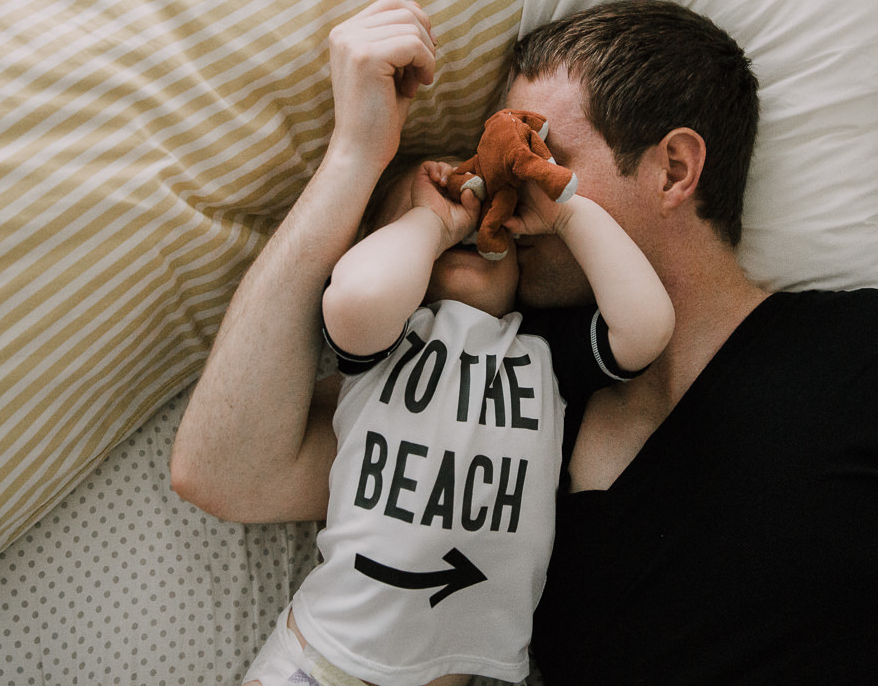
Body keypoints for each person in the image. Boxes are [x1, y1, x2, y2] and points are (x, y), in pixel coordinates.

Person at [172, 0, 878, 685]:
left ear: (674, 168)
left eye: (539, 156)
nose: (505, 203)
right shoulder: (515, 393)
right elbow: (227, 470)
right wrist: (353, 159)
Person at [241, 147, 671, 686]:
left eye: (492, 212)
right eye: (441, 208)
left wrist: (566, 213)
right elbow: (358, 295)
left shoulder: (540, 352)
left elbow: (647, 329)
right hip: (327, 655)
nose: (468, 214)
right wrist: (431, 222)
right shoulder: (386, 342)